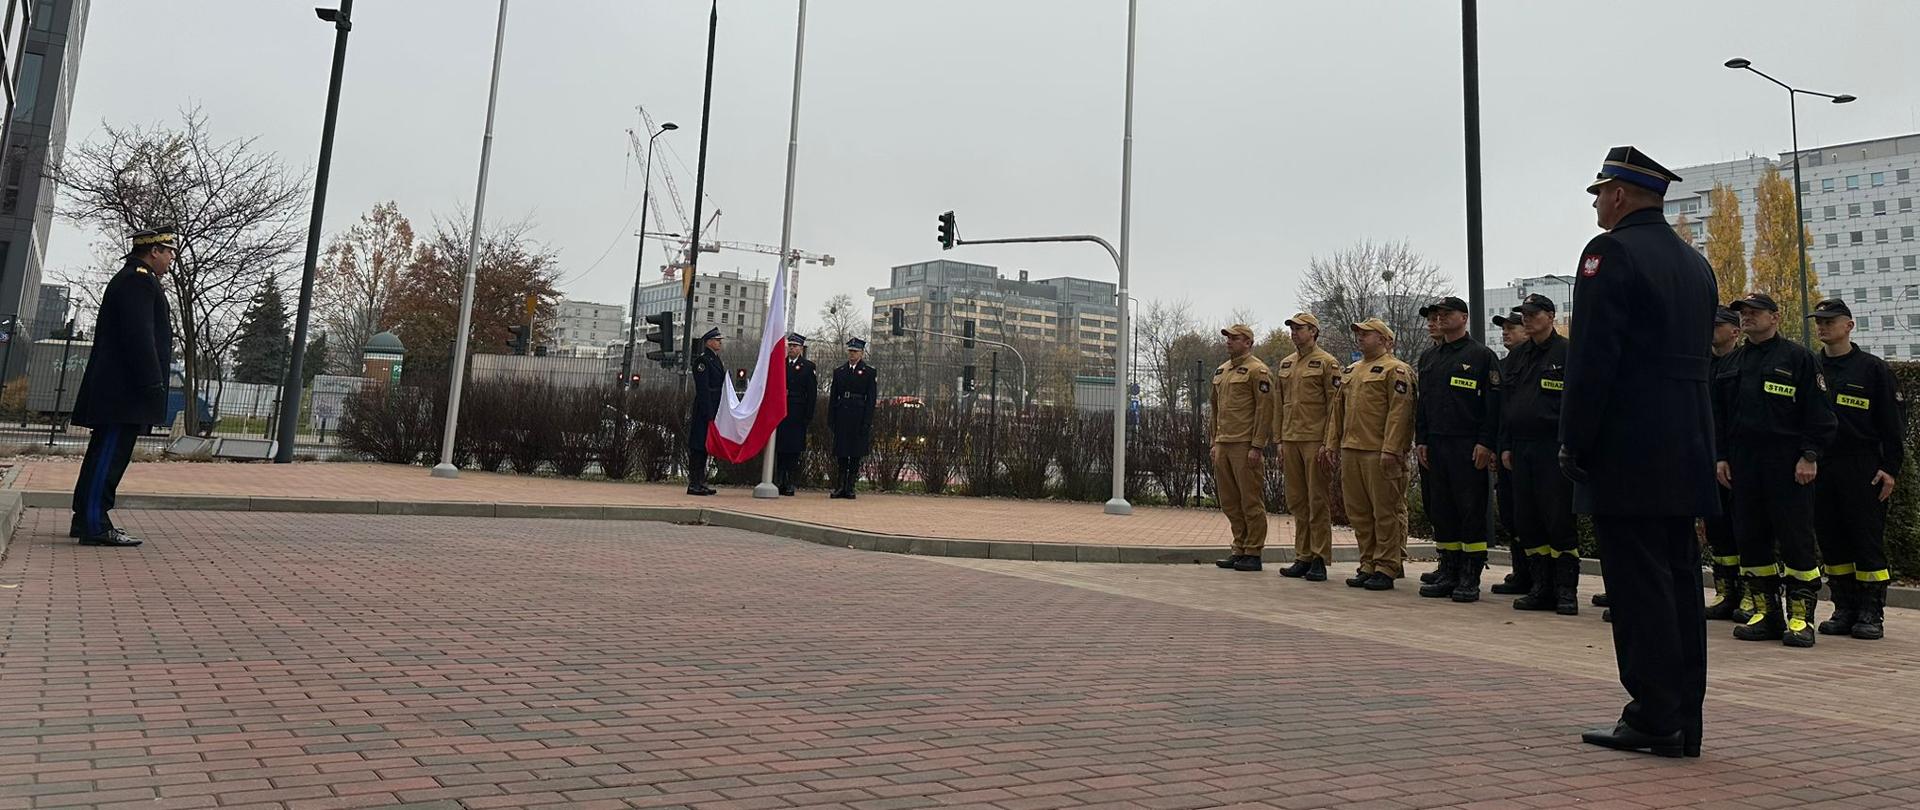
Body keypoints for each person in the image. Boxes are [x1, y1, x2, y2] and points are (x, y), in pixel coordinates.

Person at [1563, 146, 1718, 759]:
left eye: (1599, 192)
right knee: (1679, 580)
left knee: (1637, 587)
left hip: (1628, 444)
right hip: (1685, 442)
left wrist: (1575, 439)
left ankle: (1653, 715)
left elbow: (1594, 359)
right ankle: (1684, 717)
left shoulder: (1609, 253)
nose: (1598, 202)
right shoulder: (1694, 261)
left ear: (1620, 195)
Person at [1723, 291, 1835, 647]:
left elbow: (1819, 413)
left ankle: (1801, 620)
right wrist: (1720, 456)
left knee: (1796, 540)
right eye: (1743, 313)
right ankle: (1765, 614)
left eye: (1756, 312)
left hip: (1787, 463)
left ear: (1775, 317)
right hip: (1744, 463)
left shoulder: (1798, 358)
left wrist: (1810, 455)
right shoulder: (1733, 362)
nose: (1747, 317)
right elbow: (1719, 416)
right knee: (1751, 540)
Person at [69, 225, 178, 548]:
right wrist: (152, 380)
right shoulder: (138, 281)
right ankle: (94, 524)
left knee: (105, 453)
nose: (172, 257)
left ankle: (86, 518)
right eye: (168, 250)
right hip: (124, 391)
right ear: (153, 251)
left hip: (119, 389)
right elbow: (139, 337)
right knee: (109, 456)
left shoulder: (137, 280)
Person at [1809, 298, 1902, 640]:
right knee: (1832, 541)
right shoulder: (1811, 367)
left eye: (1830, 321)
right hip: (1822, 465)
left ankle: (1871, 612)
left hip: (1862, 466)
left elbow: (1893, 425)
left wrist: (1890, 469)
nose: (1822, 326)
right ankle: (1844, 607)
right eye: (1819, 321)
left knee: (1866, 541)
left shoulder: (1872, 369)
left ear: (1849, 325)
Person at [1413, 295, 1500, 603]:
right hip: (1436, 443)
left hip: (1467, 444)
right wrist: (1420, 440)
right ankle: (1448, 570)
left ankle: (1470, 575)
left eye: (1447, 313)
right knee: (1442, 509)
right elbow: (1423, 404)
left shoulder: (1481, 356)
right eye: (1437, 314)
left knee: (1470, 509)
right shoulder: (1429, 358)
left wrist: (1485, 443)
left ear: (1463, 317)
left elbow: (1492, 406)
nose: (1440, 318)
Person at [1499, 294, 1579, 615]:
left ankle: (1565, 591)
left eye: (1533, 314)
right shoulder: (1519, 356)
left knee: (1558, 518)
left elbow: (1577, 404)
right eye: (1524, 314)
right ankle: (1540, 587)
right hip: (1522, 447)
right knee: (1528, 518)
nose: (1527, 319)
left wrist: (1572, 444)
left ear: (1550, 315)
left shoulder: (1568, 353)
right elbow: (1508, 405)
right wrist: (1505, 445)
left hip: (1553, 446)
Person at [1322, 318, 1416, 590]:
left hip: (1380, 452)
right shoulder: (1352, 371)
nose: (1361, 337)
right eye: (1359, 334)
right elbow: (1336, 413)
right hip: (1352, 450)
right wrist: (1331, 444)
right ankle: (1368, 563)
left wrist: (1392, 448)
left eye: (1367, 333)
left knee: (1385, 511)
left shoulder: (1396, 370)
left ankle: (1387, 566)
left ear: (1386, 340)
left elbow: (1401, 414)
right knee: (1359, 512)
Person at [1272, 313, 1339, 582]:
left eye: (1299, 329)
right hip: (1291, 439)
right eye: (1292, 329)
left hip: (1315, 440)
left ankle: (1319, 558)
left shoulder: (1327, 363)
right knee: (1298, 501)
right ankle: (1303, 555)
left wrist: (1329, 442)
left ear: (1313, 331)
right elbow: (1279, 405)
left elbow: (1335, 407)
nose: (1294, 333)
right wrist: (1278, 440)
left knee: (1317, 500)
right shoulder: (1286, 364)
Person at [1209, 324, 1274, 572]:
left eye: (1235, 338)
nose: (1229, 342)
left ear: (1248, 342)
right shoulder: (1222, 371)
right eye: (1228, 338)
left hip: (1245, 445)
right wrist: (1214, 441)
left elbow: (1264, 410)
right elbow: (1214, 410)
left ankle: (1253, 551)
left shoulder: (1258, 371)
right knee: (1229, 501)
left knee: (1250, 500)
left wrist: (1257, 445)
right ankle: (1239, 547)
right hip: (1224, 443)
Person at [1703, 307, 1745, 621]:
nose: (1711, 330)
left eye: (1718, 325)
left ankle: (1750, 596)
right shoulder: (1703, 365)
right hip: (1707, 458)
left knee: (1746, 528)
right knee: (1718, 531)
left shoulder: (1744, 363)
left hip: (1739, 459)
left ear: (1735, 330)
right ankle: (1725, 592)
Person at [1485, 308, 1530, 596]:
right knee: (1512, 516)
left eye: (1512, 327)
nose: (1506, 332)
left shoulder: (1549, 360)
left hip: (1535, 450)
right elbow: (1498, 413)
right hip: (1507, 449)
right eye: (1504, 328)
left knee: (1539, 517)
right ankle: (1522, 572)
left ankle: (1548, 579)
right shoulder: (1503, 365)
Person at [828, 337, 877, 499]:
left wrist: (867, 421)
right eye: (850, 351)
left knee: (855, 454)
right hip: (842, 415)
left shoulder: (869, 372)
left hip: (858, 415)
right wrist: (832, 418)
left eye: (855, 351)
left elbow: (871, 400)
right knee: (842, 453)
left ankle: (850, 486)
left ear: (862, 353)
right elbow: (834, 396)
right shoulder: (840, 371)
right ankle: (840, 485)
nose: (852, 354)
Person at [775, 333, 817, 496]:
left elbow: (811, 394)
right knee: (781, 449)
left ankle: (790, 482)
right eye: (790, 346)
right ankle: (780, 480)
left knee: (793, 450)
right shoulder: (780, 364)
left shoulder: (807, 367)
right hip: (781, 411)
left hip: (797, 412)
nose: (792, 349)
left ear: (801, 348)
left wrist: (808, 416)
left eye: (795, 346)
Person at [685, 327, 725, 496]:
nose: (720, 343)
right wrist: (709, 411)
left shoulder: (715, 360)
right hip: (705, 408)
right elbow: (703, 389)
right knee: (698, 447)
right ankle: (694, 483)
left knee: (704, 447)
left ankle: (700, 481)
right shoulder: (702, 361)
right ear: (709, 342)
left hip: (714, 406)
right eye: (717, 340)